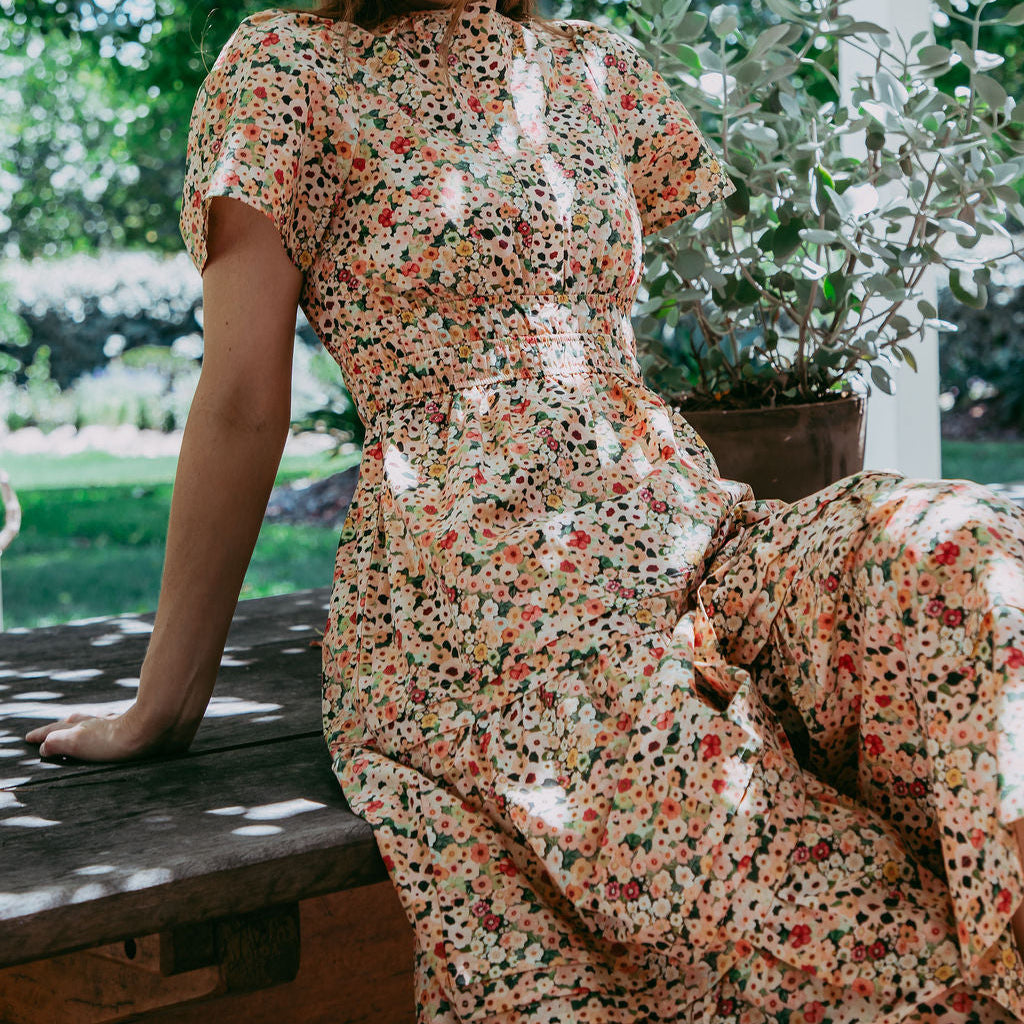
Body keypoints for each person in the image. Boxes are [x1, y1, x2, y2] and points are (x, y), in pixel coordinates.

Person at [23, 0, 1024, 1019]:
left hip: (697, 537)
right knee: (781, 874)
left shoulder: (588, 64)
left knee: (966, 562)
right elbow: (239, 404)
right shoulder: (287, 70)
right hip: (486, 603)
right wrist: (165, 703)